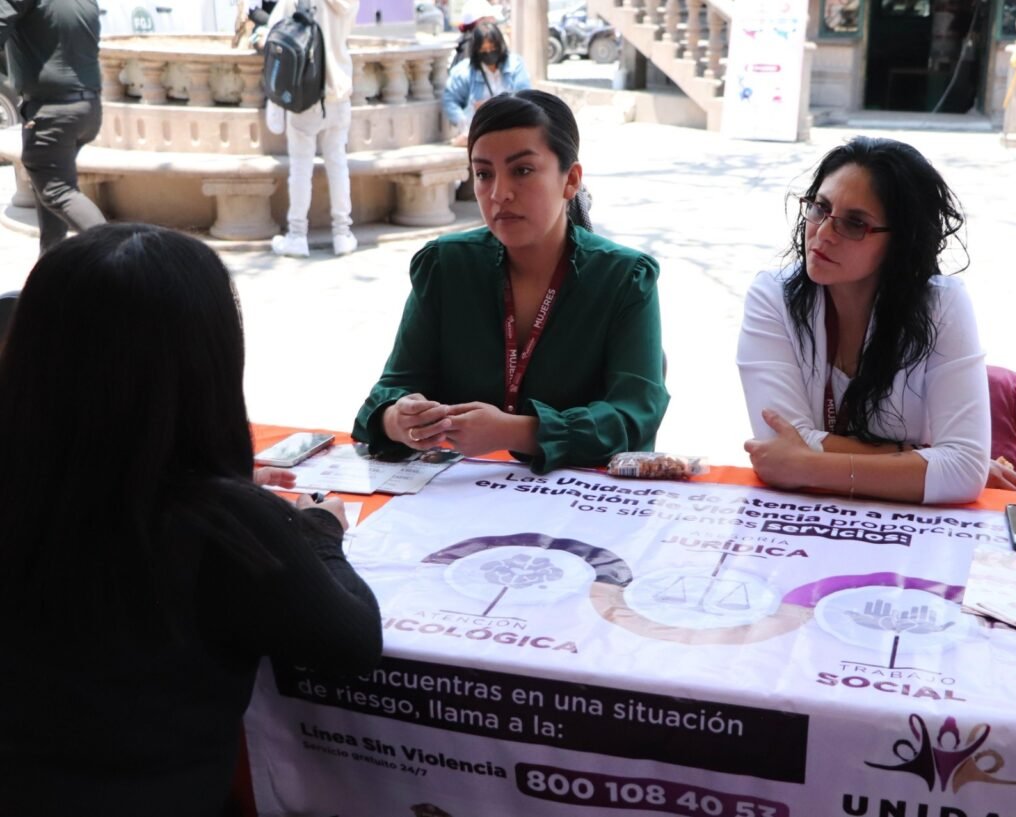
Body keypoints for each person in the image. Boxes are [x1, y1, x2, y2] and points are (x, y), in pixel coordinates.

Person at [0, 223, 382, 816]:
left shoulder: (34, 487)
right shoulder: (221, 527)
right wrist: (317, 531)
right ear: (205, 361)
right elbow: (352, 642)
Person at [353, 90, 669, 474]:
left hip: (579, 501)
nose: (499, 194)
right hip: (453, 498)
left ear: (570, 180)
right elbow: (390, 391)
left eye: (522, 170)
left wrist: (517, 432)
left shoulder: (623, 278)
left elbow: (633, 417)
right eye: (483, 174)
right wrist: (397, 418)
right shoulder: (445, 266)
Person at [737, 136, 1016, 505]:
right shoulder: (774, 295)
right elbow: (778, 443)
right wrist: (922, 456)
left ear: (901, 241)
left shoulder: (942, 304)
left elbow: (963, 470)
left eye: (855, 223)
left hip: (909, 529)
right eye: (820, 208)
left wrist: (808, 467)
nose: (823, 234)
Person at [0, 0, 107, 256]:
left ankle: (128, 258)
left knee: (57, 191)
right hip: (87, 107)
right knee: (47, 188)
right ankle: (50, 263)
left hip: (53, 111)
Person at [265, 0, 359, 258]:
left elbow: (274, 28)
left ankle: (297, 236)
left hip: (305, 93)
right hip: (339, 91)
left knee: (300, 168)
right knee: (338, 165)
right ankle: (342, 234)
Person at [444, 21, 530, 147]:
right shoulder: (464, 71)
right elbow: (450, 100)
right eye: (483, 50)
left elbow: (525, 98)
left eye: (493, 48)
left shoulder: (515, 65)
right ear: (476, 50)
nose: (489, 53)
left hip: (511, 126)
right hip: (478, 130)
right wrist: (463, 123)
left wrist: (492, 106)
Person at [449, 0, 502, 68]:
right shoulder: (470, 45)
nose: (493, 21)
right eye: (489, 18)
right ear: (479, 21)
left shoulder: (467, 41)